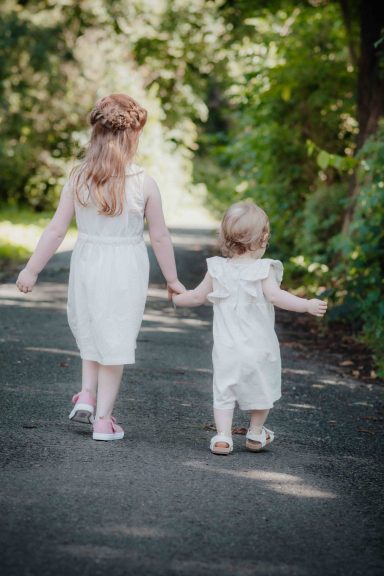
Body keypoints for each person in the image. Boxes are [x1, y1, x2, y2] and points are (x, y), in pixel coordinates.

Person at [16, 93, 185, 441]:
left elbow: (55, 230)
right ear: (133, 137)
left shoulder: (79, 177)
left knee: (93, 330)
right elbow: (161, 237)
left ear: (96, 134)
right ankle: (103, 420)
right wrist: (172, 279)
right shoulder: (143, 182)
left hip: (88, 264)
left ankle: (87, 395)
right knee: (116, 339)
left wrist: (32, 269)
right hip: (125, 268)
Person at [173, 201, 327, 455]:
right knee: (262, 386)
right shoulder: (264, 269)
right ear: (264, 237)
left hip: (227, 349)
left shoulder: (218, 269)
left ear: (225, 238)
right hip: (259, 347)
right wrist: (306, 305)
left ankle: (222, 437)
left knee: (223, 389)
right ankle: (255, 432)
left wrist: (176, 298)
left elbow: (196, 297)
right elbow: (277, 297)